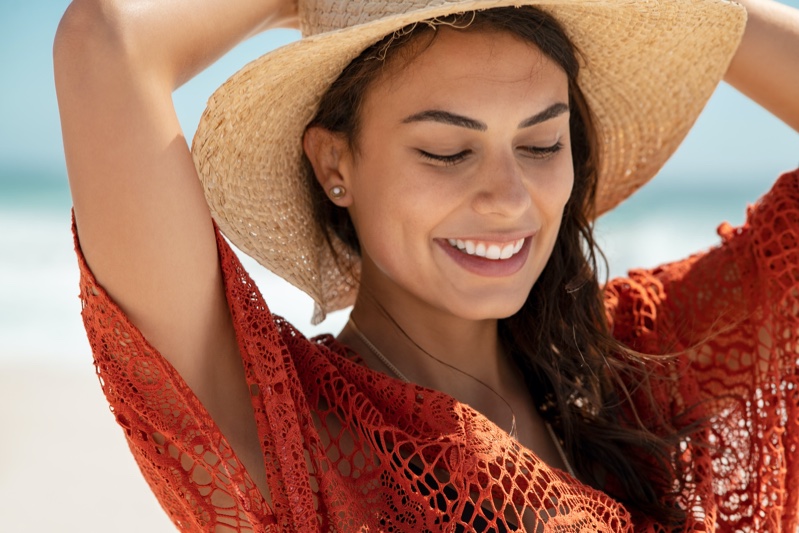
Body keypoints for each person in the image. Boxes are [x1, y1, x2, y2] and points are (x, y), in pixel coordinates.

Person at [53, 0, 799, 530]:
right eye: (447, 151)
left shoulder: (639, 361)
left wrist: (699, 13)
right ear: (334, 163)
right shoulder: (295, 435)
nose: (508, 198)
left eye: (540, 144)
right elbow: (105, 43)